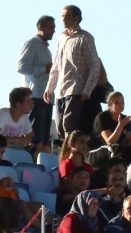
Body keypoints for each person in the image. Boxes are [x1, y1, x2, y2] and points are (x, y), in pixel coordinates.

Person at [44, 5, 105, 141]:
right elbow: (56, 65)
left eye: (67, 16)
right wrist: (49, 88)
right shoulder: (62, 38)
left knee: (69, 125)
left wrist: (87, 90)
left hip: (76, 89)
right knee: (59, 126)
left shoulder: (85, 37)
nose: (63, 19)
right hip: (61, 89)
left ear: (76, 18)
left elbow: (95, 65)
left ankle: (69, 155)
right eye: (62, 16)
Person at [16, 16, 54, 149]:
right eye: (50, 27)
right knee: (35, 133)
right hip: (35, 94)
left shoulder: (47, 50)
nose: (53, 31)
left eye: (53, 28)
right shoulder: (31, 43)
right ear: (40, 27)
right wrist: (45, 68)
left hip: (47, 96)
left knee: (44, 135)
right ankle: (31, 159)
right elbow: (21, 67)